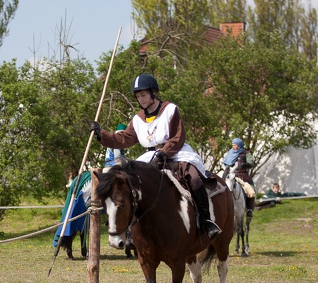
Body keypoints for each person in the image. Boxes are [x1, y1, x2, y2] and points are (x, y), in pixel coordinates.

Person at [88, 73, 221, 239]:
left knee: (193, 178)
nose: (141, 99)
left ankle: (207, 221)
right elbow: (124, 138)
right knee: (130, 180)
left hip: (176, 152)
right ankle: (130, 228)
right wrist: (101, 135)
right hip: (151, 156)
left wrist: (164, 152)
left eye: (143, 95)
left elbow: (177, 136)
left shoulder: (170, 109)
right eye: (138, 96)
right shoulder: (137, 119)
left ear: (153, 93)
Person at [221, 137, 255, 217]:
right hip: (231, 175)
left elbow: (251, 163)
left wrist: (243, 165)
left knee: (250, 191)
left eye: (235, 145)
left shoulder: (246, 153)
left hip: (243, 176)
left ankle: (249, 209)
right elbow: (225, 164)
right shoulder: (230, 153)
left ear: (239, 146)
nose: (233, 147)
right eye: (232, 145)